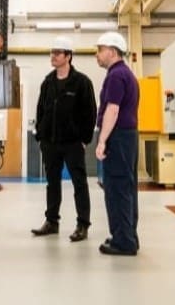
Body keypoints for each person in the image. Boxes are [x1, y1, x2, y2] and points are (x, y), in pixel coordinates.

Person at [31, 36, 97, 242]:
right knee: (52, 183)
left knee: (79, 183)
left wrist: (84, 139)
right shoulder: (47, 82)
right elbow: (41, 110)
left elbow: (90, 113)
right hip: (50, 142)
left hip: (73, 143)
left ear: (68, 56)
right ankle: (52, 222)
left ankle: (83, 224)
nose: (53, 56)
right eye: (52, 52)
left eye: (58, 53)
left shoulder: (82, 82)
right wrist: (40, 135)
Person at [93, 31, 140, 256]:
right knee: (126, 188)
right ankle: (128, 236)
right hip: (128, 137)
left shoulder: (115, 76)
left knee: (117, 188)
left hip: (118, 137)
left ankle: (123, 242)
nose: (97, 55)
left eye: (100, 50)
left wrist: (102, 141)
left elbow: (112, 110)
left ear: (112, 52)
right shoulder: (126, 74)